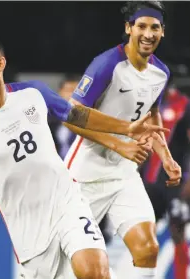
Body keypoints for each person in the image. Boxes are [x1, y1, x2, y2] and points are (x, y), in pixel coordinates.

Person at [0, 35, 167, 279]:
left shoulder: (32, 93)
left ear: (0, 63)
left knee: (94, 270)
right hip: (28, 233)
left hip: (66, 204)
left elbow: (76, 115)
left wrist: (125, 127)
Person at [64, 2, 182, 278]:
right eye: (141, 26)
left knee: (147, 249)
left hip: (124, 175)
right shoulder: (107, 64)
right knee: (77, 268)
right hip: (84, 176)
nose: (148, 33)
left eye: (155, 27)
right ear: (129, 28)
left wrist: (166, 157)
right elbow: (71, 114)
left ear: (163, 32)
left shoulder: (161, 73)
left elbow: (151, 115)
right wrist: (119, 143)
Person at [142, 79, 190, 279]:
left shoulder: (185, 105)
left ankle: (180, 275)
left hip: (175, 182)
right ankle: (145, 274)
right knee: (142, 230)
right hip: (147, 180)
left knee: (177, 230)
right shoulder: (145, 105)